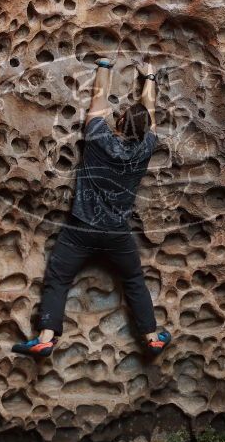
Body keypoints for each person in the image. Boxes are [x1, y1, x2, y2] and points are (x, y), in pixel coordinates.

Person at [12, 56, 172, 358]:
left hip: (81, 228)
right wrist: (149, 77)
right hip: (116, 232)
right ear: (145, 131)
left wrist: (104, 67)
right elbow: (149, 114)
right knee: (134, 281)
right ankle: (152, 338)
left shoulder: (98, 137)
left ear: (119, 123)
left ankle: (46, 337)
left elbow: (99, 99)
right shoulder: (145, 149)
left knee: (58, 278)